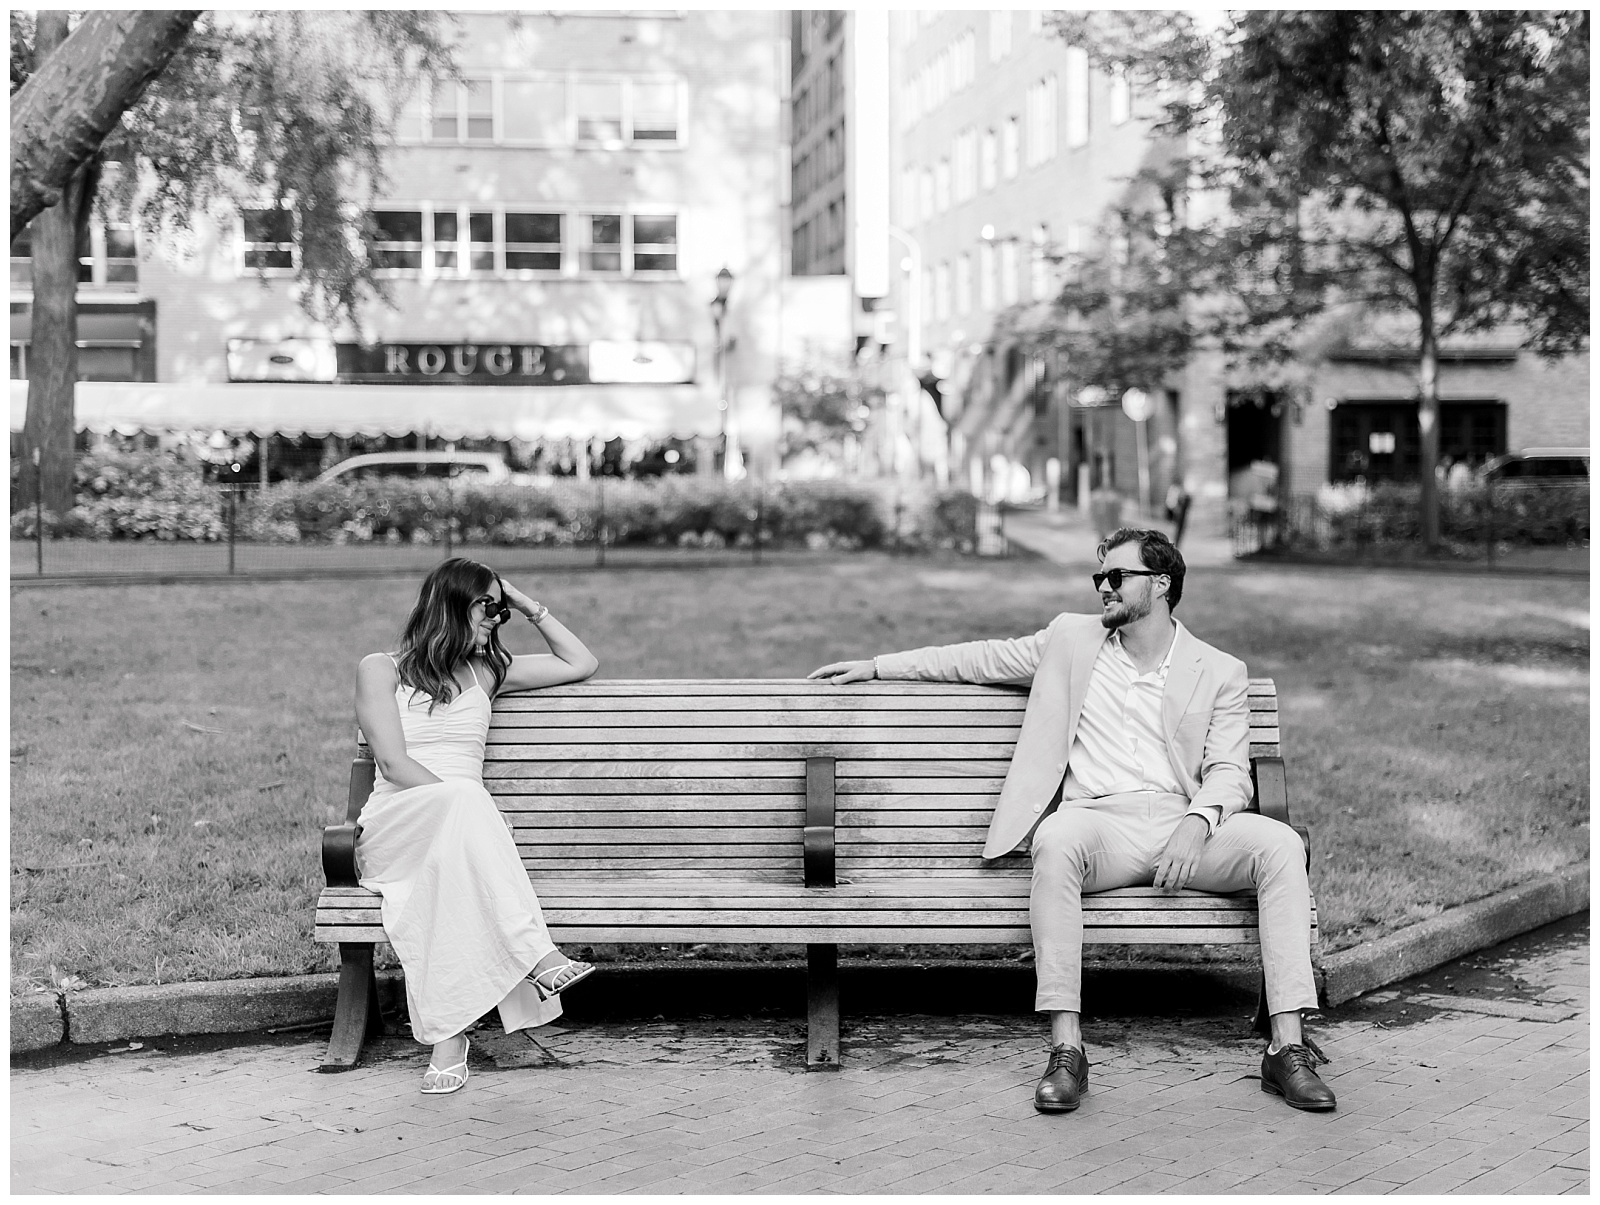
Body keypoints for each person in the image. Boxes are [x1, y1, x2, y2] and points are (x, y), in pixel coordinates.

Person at [809, 528, 1333, 1114]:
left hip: (1185, 825)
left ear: (1161, 584)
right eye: (1099, 577)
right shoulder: (1069, 639)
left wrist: (1197, 821)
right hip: (1099, 826)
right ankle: (1066, 1050)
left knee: (1280, 845)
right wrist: (877, 666)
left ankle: (1285, 1049)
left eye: (1118, 577)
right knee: (1055, 839)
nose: (1104, 587)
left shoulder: (1219, 670)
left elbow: (1231, 771)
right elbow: (978, 658)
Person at [354, 557, 601, 1094]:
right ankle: (535, 953)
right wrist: (467, 806)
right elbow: (392, 765)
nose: (496, 618)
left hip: (462, 835)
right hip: (398, 824)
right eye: (488, 607)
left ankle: (449, 1040)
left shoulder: (488, 672)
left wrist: (525, 602)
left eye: (501, 609)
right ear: (451, 604)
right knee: (466, 798)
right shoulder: (381, 669)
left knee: (452, 882)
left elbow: (581, 662)